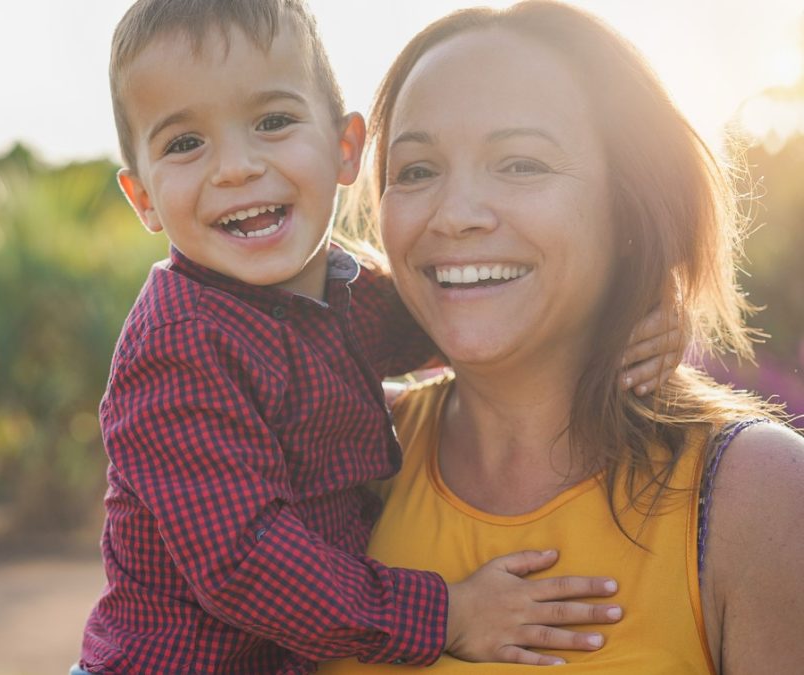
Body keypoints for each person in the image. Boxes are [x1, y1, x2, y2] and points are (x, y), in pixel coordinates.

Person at [74, 1, 681, 672]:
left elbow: (474, 304)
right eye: (185, 143)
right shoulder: (179, 345)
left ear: (346, 149)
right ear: (143, 199)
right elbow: (244, 560)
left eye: (273, 122)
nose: (236, 167)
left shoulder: (346, 293)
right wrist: (446, 611)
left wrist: (636, 307)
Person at [320, 1, 804, 673]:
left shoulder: (757, 496)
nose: (455, 214)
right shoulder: (346, 458)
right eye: (417, 170)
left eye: (520, 164)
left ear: (627, 206)